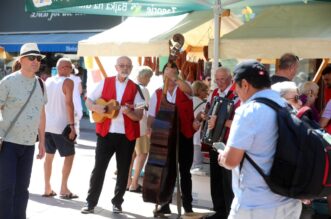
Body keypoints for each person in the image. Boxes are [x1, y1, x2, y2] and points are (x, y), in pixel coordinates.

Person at [218, 60, 302, 219]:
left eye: (236, 86)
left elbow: (231, 161)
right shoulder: (286, 106)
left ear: (245, 84)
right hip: (288, 203)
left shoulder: (247, 111)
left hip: (255, 205)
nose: (236, 92)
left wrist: (222, 157)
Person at [81, 56, 144, 214]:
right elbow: (89, 100)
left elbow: (139, 115)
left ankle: (117, 202)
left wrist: (128, 111)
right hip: (106, 133)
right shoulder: (105, 82)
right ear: (116, 67)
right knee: (99, 169)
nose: (124, 68)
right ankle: (90, 203)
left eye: (127, 66)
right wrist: (96, 108)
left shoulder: (136, 88)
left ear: (131, 68)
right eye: (121, 65)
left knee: (123, 171)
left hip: (126, 136)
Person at [0, 43, 47, 219]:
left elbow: (42, 114)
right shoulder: (8, 82)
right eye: (31, 57)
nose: (36, 61)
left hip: (28, 144)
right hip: (8, 143)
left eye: (38, 58)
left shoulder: (41, 84)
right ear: (21, 60)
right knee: (6, 188)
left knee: (22, 188)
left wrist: (42, 141)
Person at [147, 62, 195, 215]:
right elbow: (152, 116)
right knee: (166, 171)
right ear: (162, 75)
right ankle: (164, 203)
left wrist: (176, 78)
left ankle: (187, 206)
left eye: (173, 73)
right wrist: (150, 130)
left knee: (185, 172)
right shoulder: (157, 93)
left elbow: (190, 91)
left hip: (184, 135)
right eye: (167, 73)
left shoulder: (184, 89)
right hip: (164, 136)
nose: (169, 76)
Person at [203, 67, 236, 219]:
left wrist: (220, 122)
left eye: (223, 79)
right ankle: (219, 211)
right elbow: (209, 111)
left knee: (228, 180)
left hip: (229, 142)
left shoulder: (237, 93)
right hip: (215, 141)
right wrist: (205, 117)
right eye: (217, 79)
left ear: (230, 78)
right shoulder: (214, 93)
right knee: (216, 178)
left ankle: (229, 212)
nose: (220, 82)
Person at [43, 58, 77, 199]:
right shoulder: (68, 82)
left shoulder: (48, 81)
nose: (71, 70)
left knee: (49, 157)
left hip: (47, 125)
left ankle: (47, 187)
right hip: (62, 125)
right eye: (70, 67)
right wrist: (72, 126)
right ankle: (63, 188)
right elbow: (69, 104)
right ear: (63, 67)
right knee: (69, 156)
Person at [127, 66, 153, 192]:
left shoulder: (130, 86)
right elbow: (146, 110)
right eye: (149, 78)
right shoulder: (144, 89)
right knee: (142, 154)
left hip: (128, 126)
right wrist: (149, 127)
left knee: (130, 155)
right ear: (146, 77)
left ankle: (127, 181)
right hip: (141, 126)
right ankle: (135, 182)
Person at [191, 80, 209, 170]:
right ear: (199, 91)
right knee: (196, 166)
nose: (207, 94)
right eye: (205, 91)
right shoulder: (204, 105)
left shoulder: (188, 101)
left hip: (187, 137)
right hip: (197, 137)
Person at [69, 64, 83, 139]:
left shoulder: (64, 78)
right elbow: (80, 91)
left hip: (66, 102)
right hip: (76, 102)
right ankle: (75, 137)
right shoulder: (77, 79)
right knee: (76, 122)